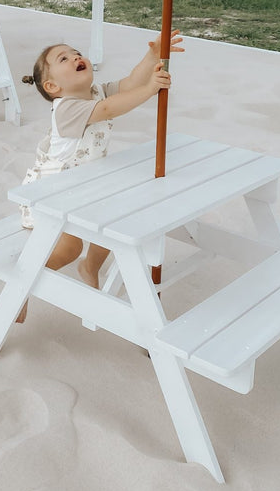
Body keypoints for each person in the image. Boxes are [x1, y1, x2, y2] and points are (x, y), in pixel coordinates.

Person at [16, 29, 184, 322]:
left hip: (87, 188)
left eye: (76, 52)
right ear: (52, 85)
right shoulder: (66, 109)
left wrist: (152, 56)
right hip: (54, 193)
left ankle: (90, 267)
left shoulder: (95, 92)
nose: (76, 57)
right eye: (63, 58)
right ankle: (22, 284)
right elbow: (109, 109)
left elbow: (131, 82)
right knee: (70, 248)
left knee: (112, 225)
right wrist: (149, 90)